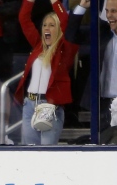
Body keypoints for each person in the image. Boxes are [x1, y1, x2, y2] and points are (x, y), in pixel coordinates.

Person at [15, 0, 78, 145]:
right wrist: (30, 1)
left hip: (49, 106)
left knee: (47, 153)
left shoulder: (64, 51)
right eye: (44, 25)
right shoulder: (38, 45)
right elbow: (24, 20)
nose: (46, 29)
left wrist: (55, 2)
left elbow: (66, 22)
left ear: (59, 29)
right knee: (29, 153)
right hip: (29, 104)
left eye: (51, 25)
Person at [65, 0, 117, 142]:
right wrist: (82, 7)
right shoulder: (101, 34)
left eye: (114, 11)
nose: (110, 15)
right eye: (107, 11)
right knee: (103, 151)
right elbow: (70, 35)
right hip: (104, 105)